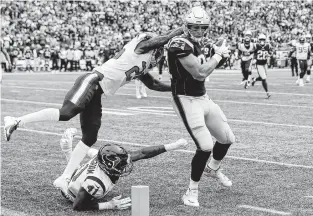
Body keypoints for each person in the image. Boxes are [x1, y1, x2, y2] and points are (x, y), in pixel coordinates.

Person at [4, 27, 184, 195]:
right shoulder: (139, 47)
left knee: (90, 137)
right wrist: (183, 29)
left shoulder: (142, 65)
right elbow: (164, 38)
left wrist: (177, 87)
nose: (158, 58)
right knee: (66, 113)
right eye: (158, 53)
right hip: (92, 81)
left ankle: (64, 177)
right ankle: (16, 120)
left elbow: (154, 84)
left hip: (98, 91)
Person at [167, 7, 235, 207]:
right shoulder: (178, 44)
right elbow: (199, 73)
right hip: (185, 99)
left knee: (227, 138)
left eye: (202, 27)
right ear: (186, 27)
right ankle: (191, 190)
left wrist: (219, 56)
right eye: (194, 27)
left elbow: (210, 67)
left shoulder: (201, 43)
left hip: (202, 97)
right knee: (205, 146)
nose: (198, 31)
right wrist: (218, 56)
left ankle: (213, 168)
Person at [58, 128, 188, 211]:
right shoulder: (95, 183)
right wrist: (109, 205)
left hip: (87, 174)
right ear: (108, 166)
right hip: (74, 193)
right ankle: (68, 155)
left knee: (88, 156)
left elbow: (142, 153)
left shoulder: (106, 160)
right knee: (86, 191)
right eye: (121, 165)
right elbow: (78, 206)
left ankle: (69, 151)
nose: (125, 166)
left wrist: (173, 146)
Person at [251, 34, 272, 99]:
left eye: (263, 40)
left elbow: (270, 53)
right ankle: (267, 93)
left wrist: (269, 55)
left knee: (263, 77)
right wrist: (254, 59)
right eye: (261, 40)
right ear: (259, 40)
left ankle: (255, 79)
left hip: (264, 64)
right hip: (259, 64)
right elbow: (253, 53)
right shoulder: (256, 46)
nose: (262, 41)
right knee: (263, 78)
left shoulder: (268, 46)